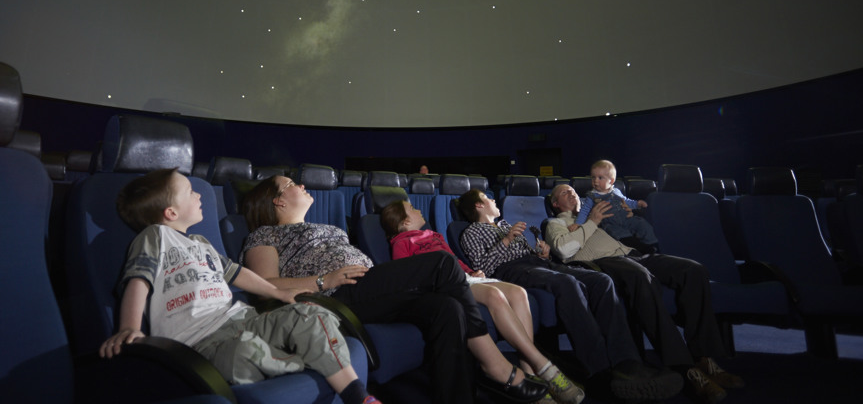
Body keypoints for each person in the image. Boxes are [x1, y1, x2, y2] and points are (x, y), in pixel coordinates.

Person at [240, 175, 548, 404]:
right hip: (336, 298)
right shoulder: (265, 235)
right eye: (292, 183)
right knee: (441, 263)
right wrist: (324, 280)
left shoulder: (329, 228)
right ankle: (494, 364)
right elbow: (266, 286)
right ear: (277, 200)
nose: (302, 185)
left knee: (447, 307)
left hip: (368, 287)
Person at [99, 168, 381, 404]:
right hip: (200, 341)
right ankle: (312, 358)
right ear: (171, 212)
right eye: (189, 191)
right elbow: (138, 280)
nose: (198, 194)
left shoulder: (202, 244)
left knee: (311, 315)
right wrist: (129, 327)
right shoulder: (155, 236)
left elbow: (237, 274)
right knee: (244, 353)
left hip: (241, 318)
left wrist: (279, 292)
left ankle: (357, 396)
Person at [456, 189, 683, 403]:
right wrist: (506, 241)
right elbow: (482, 267)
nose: (494, 201)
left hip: (537, 264)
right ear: (478, 205)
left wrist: (542, 253)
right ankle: (599, 370)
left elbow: (530, 254)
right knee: (567, 283)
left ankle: (626, 363)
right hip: (512, 270)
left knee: (601, 280)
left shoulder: (504, 224)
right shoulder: (471, 231)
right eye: (488, 198)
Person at [547, 184, 745, 404]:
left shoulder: (595, 214)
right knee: (640, 276)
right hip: (604, 264)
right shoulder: (556, 223)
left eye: (573, 191)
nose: (572, 193)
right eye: (564, 193)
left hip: (633, 255)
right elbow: (564, 250)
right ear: (555, 204)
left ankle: (703, 357)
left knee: (693, 270)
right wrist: (591, 222)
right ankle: (685, 367)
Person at [380, 198, 585, 404]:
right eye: (412, 209)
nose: (418, 210)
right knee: (494, 295)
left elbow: (454, 259)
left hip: (464, 276)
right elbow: (406, 272)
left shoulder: (434, 235)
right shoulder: (402, 242)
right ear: (405, 222)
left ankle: (529, 371)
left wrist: (472, 271)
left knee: (518, 293)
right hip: (444, 282)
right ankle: (544, 368)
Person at [580, 160, 658, 254]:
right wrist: (578, 224)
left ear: (611, 181)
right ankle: (639, 248)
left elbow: (626, 202)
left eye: (600, 178)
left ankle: (654, 246)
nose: (595, 181)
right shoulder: (591, 196)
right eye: (593, 177)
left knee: (642, 225)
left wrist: (637, 204)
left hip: (625, 217)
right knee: (620, 234)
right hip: (610, 222)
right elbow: (584, 211)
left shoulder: (616, 191)